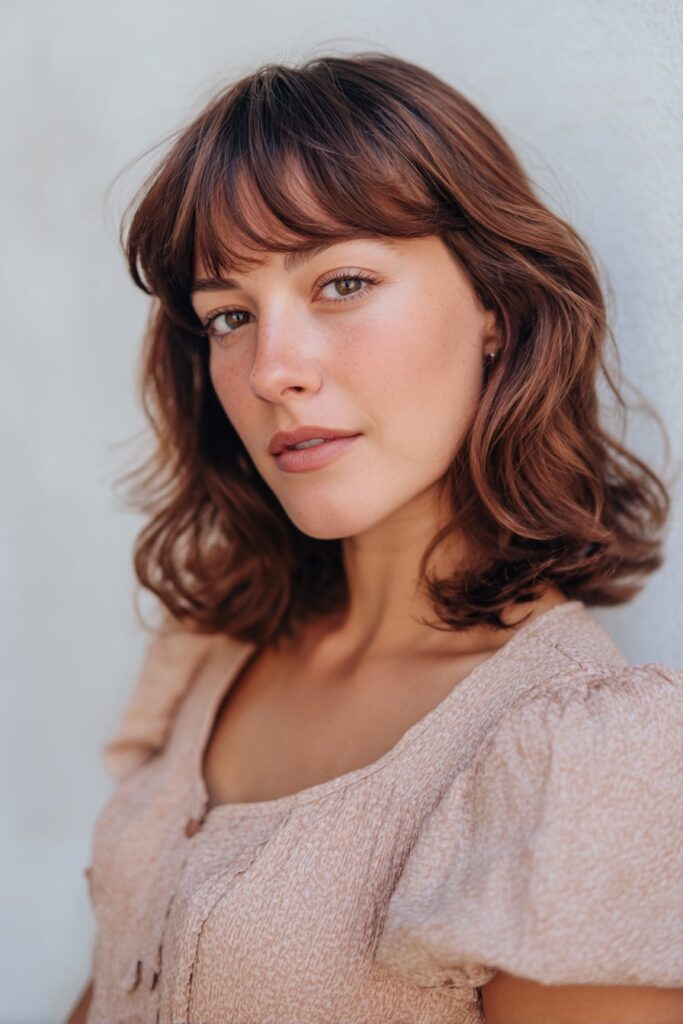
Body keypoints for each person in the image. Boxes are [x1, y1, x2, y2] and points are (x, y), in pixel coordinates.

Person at [66, 51, 683, 1024]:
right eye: (228, 316)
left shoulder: (582, 754)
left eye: (342, 282)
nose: (270, 370)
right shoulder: (214, 647)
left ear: (494, 305)